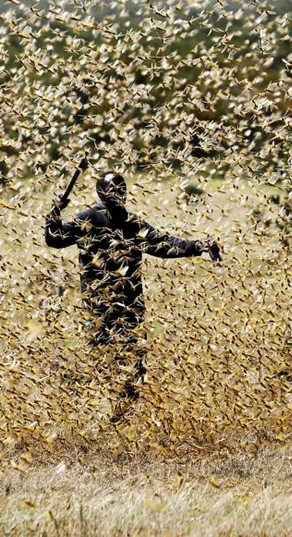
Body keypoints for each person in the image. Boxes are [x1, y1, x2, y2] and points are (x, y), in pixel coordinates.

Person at [45, 170, 221, 420]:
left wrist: (197, 246)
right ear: (103, 194)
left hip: (130, 306)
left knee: (135, 367)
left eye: (121, 190)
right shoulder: (88, 219)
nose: (119, 195)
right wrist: (55, 211)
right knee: (105, 363)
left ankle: (118, 416)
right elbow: (54, 239)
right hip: (101, 307)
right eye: (114, 190)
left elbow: (163, 244)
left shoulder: (131, 223)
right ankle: (98, 413)